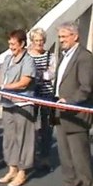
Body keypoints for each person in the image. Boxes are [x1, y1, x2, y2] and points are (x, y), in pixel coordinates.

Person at [0, 29, 36, 186]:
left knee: (24, 139)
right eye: (10, 43)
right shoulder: (7, 59)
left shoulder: (28, 60)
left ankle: (22, 171)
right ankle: (12, 169)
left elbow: (24, 82)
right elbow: (1, 77)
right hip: (8, 104)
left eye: (14, 44)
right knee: (10, 138)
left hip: (23, 105)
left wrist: (4, 87)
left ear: (22, 44)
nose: (11, 46)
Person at [53, 22, 93, 186]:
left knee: (80, 156)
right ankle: (70, 183)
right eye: (59, 37)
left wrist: (69, 101)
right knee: (65, 154)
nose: (61, 40)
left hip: (77, 114)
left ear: (75, 36)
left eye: (64, 36)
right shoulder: (64, 56)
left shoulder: (84, 57)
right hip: (61, 112)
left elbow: (86, 87)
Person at [28, 27, 55, 171]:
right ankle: (31, 156)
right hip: (31, 95)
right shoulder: (27, 56)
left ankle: (45, 158)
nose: (39, 43)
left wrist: (37, 75)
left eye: (41, 41)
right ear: (31, 41)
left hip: (47, 95)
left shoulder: (50, 56)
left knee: (47, 128)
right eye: (36, 40)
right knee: (30, 127)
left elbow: (51, 74)